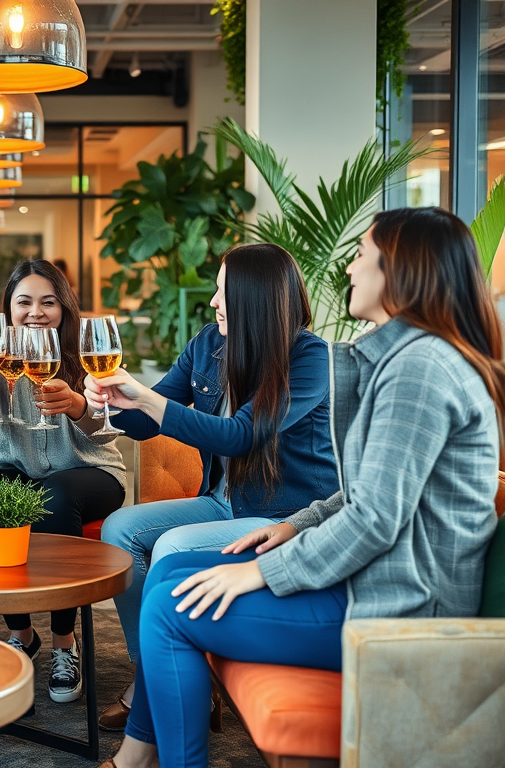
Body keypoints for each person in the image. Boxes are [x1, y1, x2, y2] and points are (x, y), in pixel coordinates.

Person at [98, 207, 504, 768]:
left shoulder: (420, 371)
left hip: (399, 605)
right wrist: (296, 526)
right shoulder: (407, 361)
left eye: (363, 256)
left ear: (401, 273)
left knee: (168, 603)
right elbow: (364, 495)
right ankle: (142, 756)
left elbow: (374, 520)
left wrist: (261, 570)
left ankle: (148, 760)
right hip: (370, 578)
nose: (350, 271)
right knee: (169, 571)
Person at [83, 243, 340, 730]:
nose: (214, 303)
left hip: (282, 515)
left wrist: (146, 400)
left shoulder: (311, 359)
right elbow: (144, 424)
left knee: (174, 545)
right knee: (120, 529)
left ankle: (164, 688)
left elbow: (242, 435)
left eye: (223, 293)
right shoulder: (208, 343)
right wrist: (112, 402)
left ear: (254, 298)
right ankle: (154, 672)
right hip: (222, 500)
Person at [0, 258, 126, 703]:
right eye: (24, 302)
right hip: (19, 468)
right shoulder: (0, 362)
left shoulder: (88, 357)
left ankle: (65, 643)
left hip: (93, 472)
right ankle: (22, 633)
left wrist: (76, 405)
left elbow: (111, 431)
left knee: (52, 496)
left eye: (48, 302)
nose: (36, 312)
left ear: (64, 308)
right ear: (9, 309)